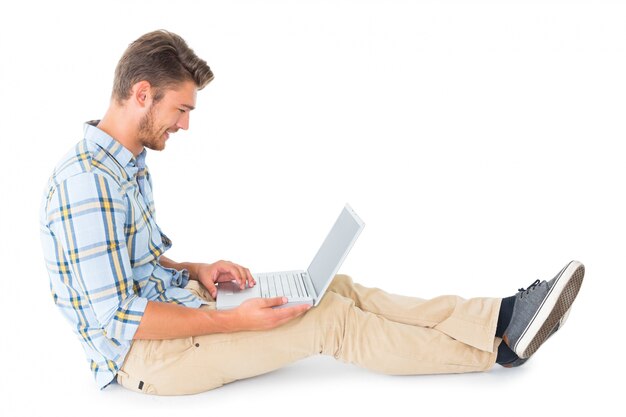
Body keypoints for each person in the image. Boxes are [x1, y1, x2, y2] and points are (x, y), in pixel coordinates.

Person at [39, 30, 585, 396]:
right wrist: (232, 319)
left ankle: (503, 315)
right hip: (145, 359)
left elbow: (129, 270)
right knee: (331, 322)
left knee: (336, 288)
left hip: (177, 307)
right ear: (142, 94)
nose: (185, 125)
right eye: (181, 109)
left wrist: (196, 271)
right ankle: (499, 350)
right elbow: (117, 318)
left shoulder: (124, 164)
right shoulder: (89, 182)